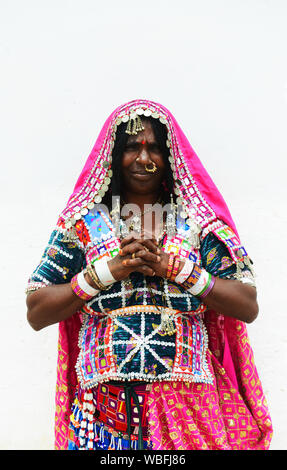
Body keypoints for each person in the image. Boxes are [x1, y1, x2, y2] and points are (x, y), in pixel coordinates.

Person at [26, 99, 273, 450]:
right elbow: (37, 310)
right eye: (131, 147)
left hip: (187, 407)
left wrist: (172, 268)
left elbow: (247, 304)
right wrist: (109, 271)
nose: (144, 159)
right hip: (104, 412)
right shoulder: (85, 224)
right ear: (112, 156)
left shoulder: (196, 223)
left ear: (170, 156)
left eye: (155, 148)